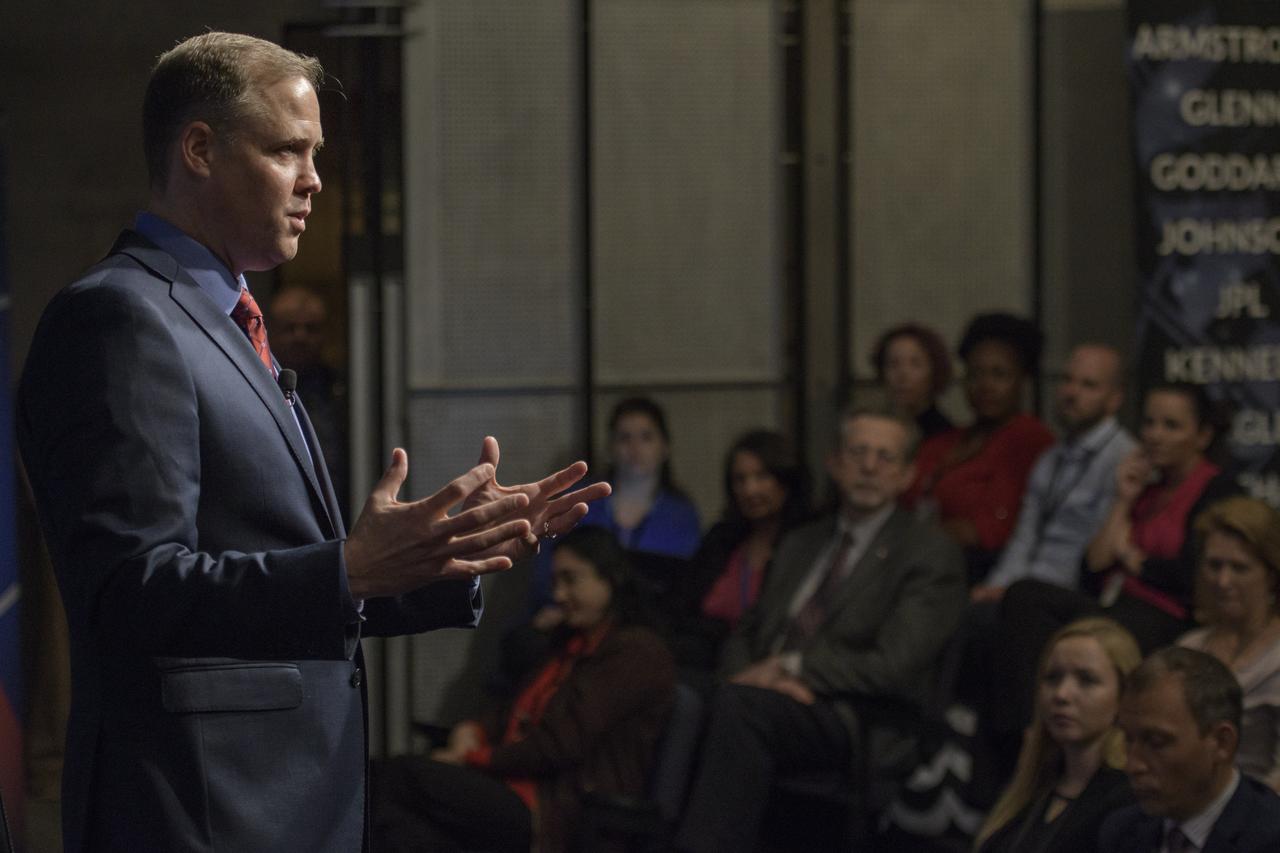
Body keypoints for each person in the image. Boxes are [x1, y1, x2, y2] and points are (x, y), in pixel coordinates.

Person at [16, 33, 608, 853]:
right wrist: (346, 569)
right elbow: (128, 593)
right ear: (199, 149)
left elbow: (278, 561)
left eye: (317, 152)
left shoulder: (226, 321)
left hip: (283, 804)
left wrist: (442, 556)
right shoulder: (120, 319)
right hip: (201, 810)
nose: (315, 179)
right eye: (289, 149)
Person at [673, 405, 965, 852]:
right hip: (764, 694)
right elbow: (748, 629)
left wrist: (793, 670)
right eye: (858, 453)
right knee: (678, 690)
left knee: (741, 709)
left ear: (907, 475)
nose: (869, 467)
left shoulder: (927, 553)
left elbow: (895, 665)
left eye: (885, 457)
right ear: (834, 463)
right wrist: (746, 677)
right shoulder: (802, 541)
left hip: (851, 714)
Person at [372, 526, 674, 852]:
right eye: (556, 582)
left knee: (395, 777)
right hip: (510, 784)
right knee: (399, 830)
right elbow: (513, 711)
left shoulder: (636, 652)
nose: (559, 596)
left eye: (571, 580)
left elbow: (556, 747)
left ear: (610, 579)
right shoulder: (571, 642)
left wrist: (471, 758)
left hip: (552, 809)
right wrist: (474, 729)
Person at [972, 344, 1135, 602]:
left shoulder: (1123, 459)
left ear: (1115, 399)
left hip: (1075, 593)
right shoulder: (1050, 457)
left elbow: (1093, 558)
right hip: (1026, 588)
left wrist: (1016, 593)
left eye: (1088, 385)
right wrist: (998, 586)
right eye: (1067, 380)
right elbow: (1024, 537)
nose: (1071, 392)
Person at [903, 313, 1055, 583]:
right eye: (975, 375)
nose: (985, 386)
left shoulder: (1029, 440)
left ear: (1023, 380)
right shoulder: (946, 440)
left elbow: (993, 529)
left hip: (976, 571)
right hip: (919, 558)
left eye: (999, 374)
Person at [974, 618, 1139, 853]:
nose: (1061, 694)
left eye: (1086, 680)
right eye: (1052, 678)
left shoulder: (1129, 801)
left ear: (1124, 694)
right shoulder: (1030, 790)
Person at [1100, 647, 1280, 853]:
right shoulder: (1122, 830)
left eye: (1156, 742)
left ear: (1222, 743)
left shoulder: (1271, 839)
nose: (1132, 765)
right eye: (1129, 739)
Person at [531, 396, 700, 611]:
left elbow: (687, 586)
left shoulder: (682, 515)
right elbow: (544, 572)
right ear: (611, 447)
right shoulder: (579, 499)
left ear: (665, 447)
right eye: (624, 438)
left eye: (646, 437)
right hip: (572, 614)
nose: (634, 447)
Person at [667, 429, 810, 671]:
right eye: (740, 479)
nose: (749, 490)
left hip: (772, 668)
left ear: (786, 481)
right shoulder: (721, 539)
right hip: (703, 664)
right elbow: (683, 609)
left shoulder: (807, 544)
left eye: (762, 477)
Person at [1179, 497, 1280, 791]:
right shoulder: (1189, 648)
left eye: (1239, 567)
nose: (1223, 581)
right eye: (1215, 565)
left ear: (1271, 575)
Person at [268, 285, 349, 515]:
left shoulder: (344, 392)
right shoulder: (259, 388)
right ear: (270, 332)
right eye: (290, 328)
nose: (300, 337)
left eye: (310, 329)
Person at [870, 322, 955, 439]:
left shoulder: (946, 436)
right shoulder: (872, 431)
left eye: (916, 364)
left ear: (935, 371)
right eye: (893, 363)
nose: (903, 374)